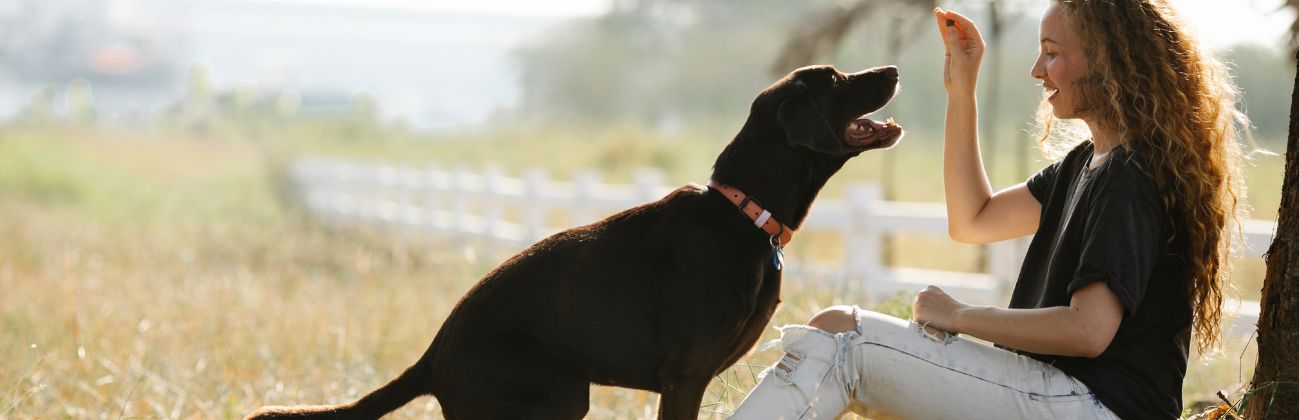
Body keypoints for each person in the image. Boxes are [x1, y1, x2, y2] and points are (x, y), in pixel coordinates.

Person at [729, 0, 1247, 418]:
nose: (1036, 70)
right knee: (836, 328)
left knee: (843, 339)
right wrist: (962, 90)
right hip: (1062, 395)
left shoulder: (1129, 179)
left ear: (1107, 60)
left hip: (1094, 405)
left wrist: (959, 316)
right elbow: (972, 219)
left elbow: (1088, 331)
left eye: (1050, 53)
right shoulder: (1087, 164)